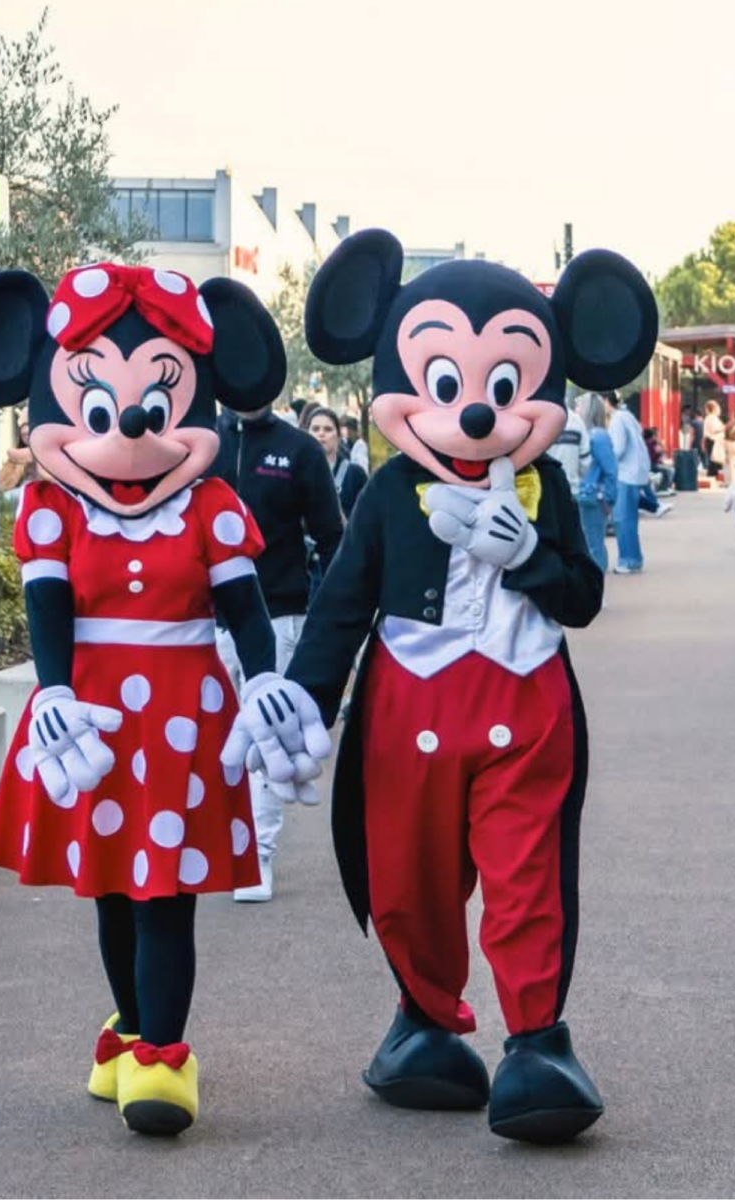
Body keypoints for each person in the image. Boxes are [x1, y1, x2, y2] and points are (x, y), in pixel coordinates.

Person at [224, 227, 656, 1145]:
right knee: (408, 877)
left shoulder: (548, 488)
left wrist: (531, 555)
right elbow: (342, 604)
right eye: (447, 385)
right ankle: (422, 1023)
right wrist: (304, 699)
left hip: (526, 708)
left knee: (528, 876)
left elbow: (583, 598)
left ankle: (536, 1042)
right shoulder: (387, 496)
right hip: (408, 711)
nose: (476, 415)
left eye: (504, 387)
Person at [0, 262, 316, 1137]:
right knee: (113, 890)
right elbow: (48, 613)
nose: (133, 425)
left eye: (157, 400)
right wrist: (52, 692)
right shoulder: (50, 508)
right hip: (92, 724)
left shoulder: (212, 506)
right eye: (98, 403)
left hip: (183, 720)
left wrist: (265, 677)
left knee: (166, 894)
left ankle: (162, 1055)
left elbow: (246, 613)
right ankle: (129, 1027)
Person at [210, 398, 344, 902]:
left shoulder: (299, 449)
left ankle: (257, 855)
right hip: (204, 623)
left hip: (279, 616)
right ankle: (213, 847)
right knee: (210, 742)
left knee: (268, 740)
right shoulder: (200, 442)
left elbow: (332, 539)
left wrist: (327, 617)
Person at [607, 389, 652, 573]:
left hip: (624, 474)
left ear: (605, 401)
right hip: (635, 474)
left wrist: (605, 460)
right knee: (630, 520)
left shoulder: (617, 419)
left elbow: (618, 448)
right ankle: (634, 558)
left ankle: (627, 561)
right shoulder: (628, 416)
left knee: (622, 519)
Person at [574, 391, 617, 573]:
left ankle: (596, 583)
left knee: (593, 546)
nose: (576, 410)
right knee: (591, 544)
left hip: (593, 498)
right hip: (590, 496)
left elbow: (611, 470)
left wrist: (608, 499)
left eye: (579, 406)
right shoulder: (593, 435)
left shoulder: (597, 436)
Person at [305, 404, 368, 519]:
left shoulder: (355, 474)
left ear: (338, 436)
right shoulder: (296, 472)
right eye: (315, 429)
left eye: (328, 429)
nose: (321, 434)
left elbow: (367, 517)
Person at [545, 393, 590, 498]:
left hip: (547, 489)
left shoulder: (541, 421)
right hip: (572, 489)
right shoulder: (578, 422)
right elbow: (585, 462)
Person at [0, 411, 40, 508]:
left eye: (28, 425)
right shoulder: (13, 461)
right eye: (23, 426)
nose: (25, 431)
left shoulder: (49, 455)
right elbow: (2, 487)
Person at [701, 399, 726, 480]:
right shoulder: (712, 418)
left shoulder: (709, 418)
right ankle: (713, 474)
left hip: (710, 440)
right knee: (714, 459)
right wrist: (724, 428)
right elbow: (714, 429)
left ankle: (713, 473)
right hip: (713, 440)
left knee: (712, 459)